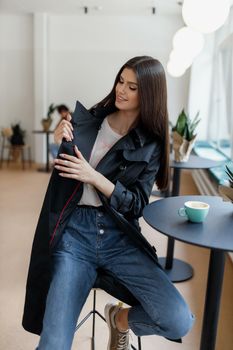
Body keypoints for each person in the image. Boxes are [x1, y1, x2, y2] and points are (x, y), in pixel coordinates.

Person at [22, 56, 194, 350]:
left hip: (119, 236)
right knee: (52, 344)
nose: (121, 90)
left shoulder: (151, 143)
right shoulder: (88, 120)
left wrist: (95, 177)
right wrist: (57, 137)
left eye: (132, 87)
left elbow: (137, 204)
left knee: (179, 319)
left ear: (149, 94)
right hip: (75, 235)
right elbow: (62, 172)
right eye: (120, 81)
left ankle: (120, 320)